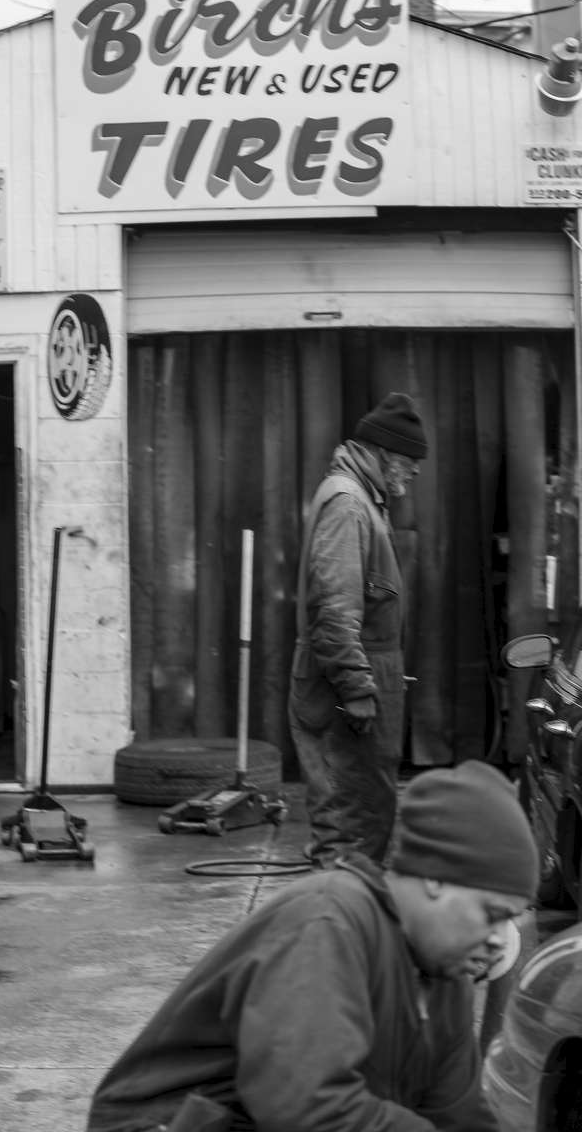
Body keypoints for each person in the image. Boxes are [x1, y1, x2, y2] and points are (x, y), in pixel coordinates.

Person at [86, 760, 538, 1132]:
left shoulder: (445, 975)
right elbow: (305, 1108)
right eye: (492, 914)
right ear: (437, 878)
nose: (500, 942)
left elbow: (457, 1116)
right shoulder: (327, 920)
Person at [288, 390, 428, 867]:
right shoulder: (349, 506)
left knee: (365, 819)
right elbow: (334, 609)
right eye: (410, 461)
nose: (414, 472)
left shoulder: (365, 500)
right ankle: (341, 926)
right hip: (345, 695)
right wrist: (357, 687)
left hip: (360, 686)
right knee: (349, 827)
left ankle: (353, 919)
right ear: (385, 453)